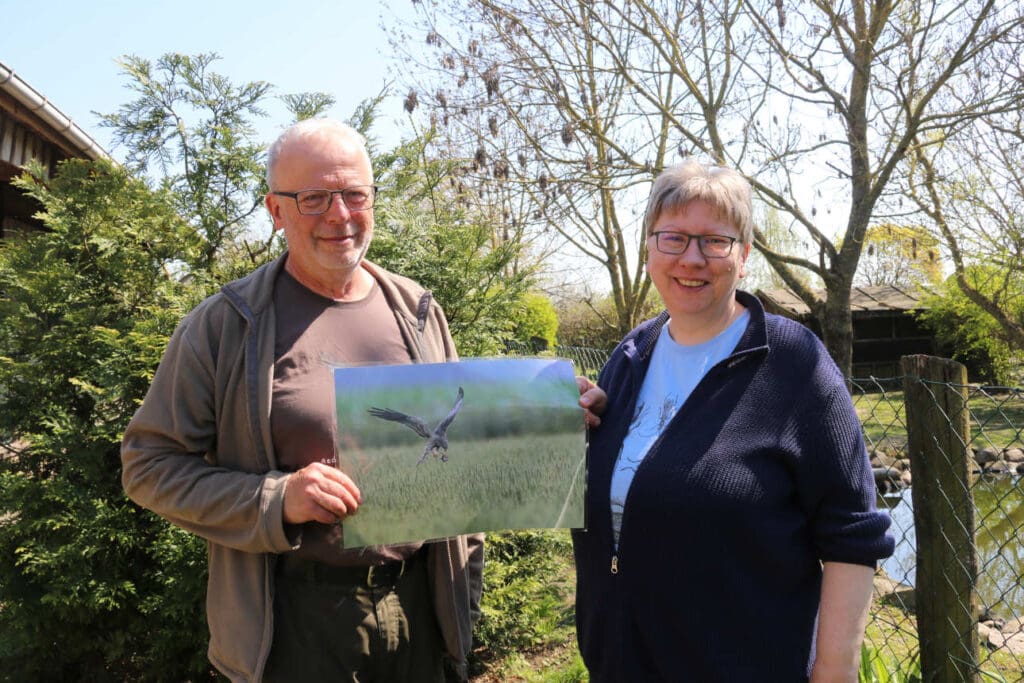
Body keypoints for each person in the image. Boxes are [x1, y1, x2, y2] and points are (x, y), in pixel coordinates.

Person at [122, 119, 487, 682]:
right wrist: (277, 499)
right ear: (275, 211)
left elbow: (461, 448)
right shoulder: (226, 325)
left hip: (418, 614)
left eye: (354, 194)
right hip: (293, 626)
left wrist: (550, 412)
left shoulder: (415, 309)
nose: (340, 216)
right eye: (314, 198)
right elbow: (147, 467)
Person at [571, 159, 895, 682]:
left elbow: (851, 531)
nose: (692, 259)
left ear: (743, 256)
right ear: (650, 248)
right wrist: (585, 425)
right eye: (673, 238)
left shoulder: (795, 365)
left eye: (715, 242)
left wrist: (835, 668)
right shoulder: (631, 354)